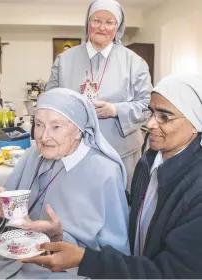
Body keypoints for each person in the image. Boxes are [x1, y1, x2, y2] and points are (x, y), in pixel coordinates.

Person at [0, 88, 129, 279]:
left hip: (62, 269)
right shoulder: (33, 155)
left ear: (79, 130)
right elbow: (7, 211)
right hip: (7, 253)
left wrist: (59, 238)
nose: (43, 136)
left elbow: (114, 253)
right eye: (39, 125)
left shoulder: (104, 172)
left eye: (56, 127)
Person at [21, 74, 202, 278]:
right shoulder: (149, 160)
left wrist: (84, 259)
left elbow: (172, 273)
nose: (150, 123)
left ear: (195, 122)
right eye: (151, 112)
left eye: (164, 117)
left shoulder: (197, 191)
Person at [45, 0, 152, 191]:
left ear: (118, 26)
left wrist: (115, 110)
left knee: (119, 208)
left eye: (109, 22)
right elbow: (49, 102)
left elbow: (147, 105)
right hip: (72, 152)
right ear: (88, 23)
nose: (102, 27)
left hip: (121, 153)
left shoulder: (135, 63)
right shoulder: (64, 60)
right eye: (96, 20)